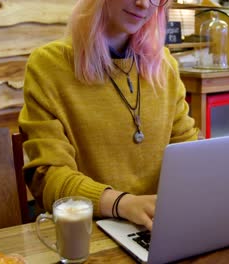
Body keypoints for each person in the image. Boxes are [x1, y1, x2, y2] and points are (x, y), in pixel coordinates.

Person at [18, 0, 199, 231]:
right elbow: (47, 177)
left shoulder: (165, 66)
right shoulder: (48, 66)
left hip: (159, 226)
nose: (143, 3)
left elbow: (189, 152)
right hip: (86, 231)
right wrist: (123, 204)